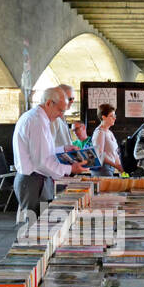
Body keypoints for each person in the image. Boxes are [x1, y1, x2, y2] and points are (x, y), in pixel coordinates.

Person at [12, 85, 87, 218]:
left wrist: (63, 149)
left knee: (42, 227)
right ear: (48, 103)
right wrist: (70, 169)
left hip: (37, 180)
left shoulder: (39, 118)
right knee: (34, 228)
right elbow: (42, 162)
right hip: (33, 180)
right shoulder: (37, 121)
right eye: (60, 110)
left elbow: (43, 152)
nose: (60, 115)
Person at [92, 104, 123, 175]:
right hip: (102, 169)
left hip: (110, 168)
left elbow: (115, 153)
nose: (114, 118)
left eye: (115, 116)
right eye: (111, 116)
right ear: (104, 117)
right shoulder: (100, 132)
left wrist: (119, 166)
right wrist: (116, 166)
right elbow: (100, 154)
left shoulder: (109, 132)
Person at [51, 83, 77, 152]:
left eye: (73, 98)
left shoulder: (62, 116)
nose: (72, 101)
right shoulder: (52, 118)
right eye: (69, 99)